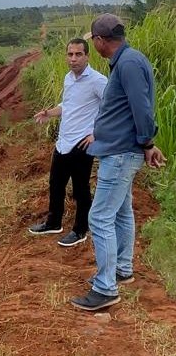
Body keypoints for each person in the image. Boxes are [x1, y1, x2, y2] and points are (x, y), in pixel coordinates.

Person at [71, 14, 166, 311]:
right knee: (122, 212)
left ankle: (105, 288)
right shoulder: (127, 61)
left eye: (94, 41)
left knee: (99, 217)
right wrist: (145, 144)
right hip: (121, 151)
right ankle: (122, 269)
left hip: (121, 153)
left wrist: (147, 143)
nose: (94, 45)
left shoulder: (128, 64)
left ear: (100, 41)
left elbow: (142, 108)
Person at [29, 38, 108, 247]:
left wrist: (96, 134)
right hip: (64, 141)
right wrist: (49, 113)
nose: (73, 59)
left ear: (87, 56)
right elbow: (68, 105)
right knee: (56, 184)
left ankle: (80, 230)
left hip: (82, 144)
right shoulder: (68, 78)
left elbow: (112, 108)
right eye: (70, 54)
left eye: (78, 54)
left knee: (81, 189)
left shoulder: (98, 81)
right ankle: (53, 222)